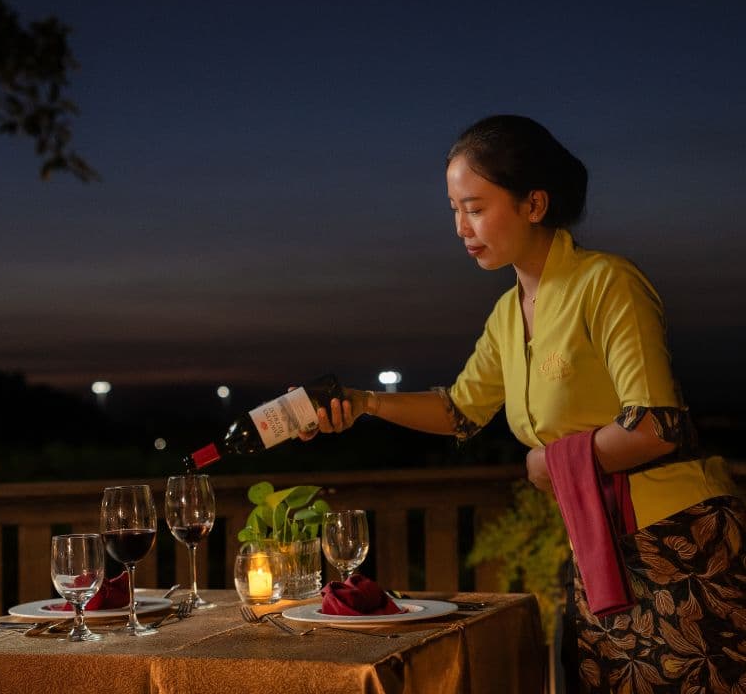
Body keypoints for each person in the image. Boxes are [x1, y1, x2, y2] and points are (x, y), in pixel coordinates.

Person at [304, 114, 746, 694]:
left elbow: (655, 427)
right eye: (454, 210)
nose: (461, 227)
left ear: (534, 204)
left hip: (684, 544)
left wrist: (547, 462)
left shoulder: (607, 282)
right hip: (599, 550)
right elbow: (460, 410)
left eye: (475, 208)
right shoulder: (507, 316)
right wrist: (365, 403)